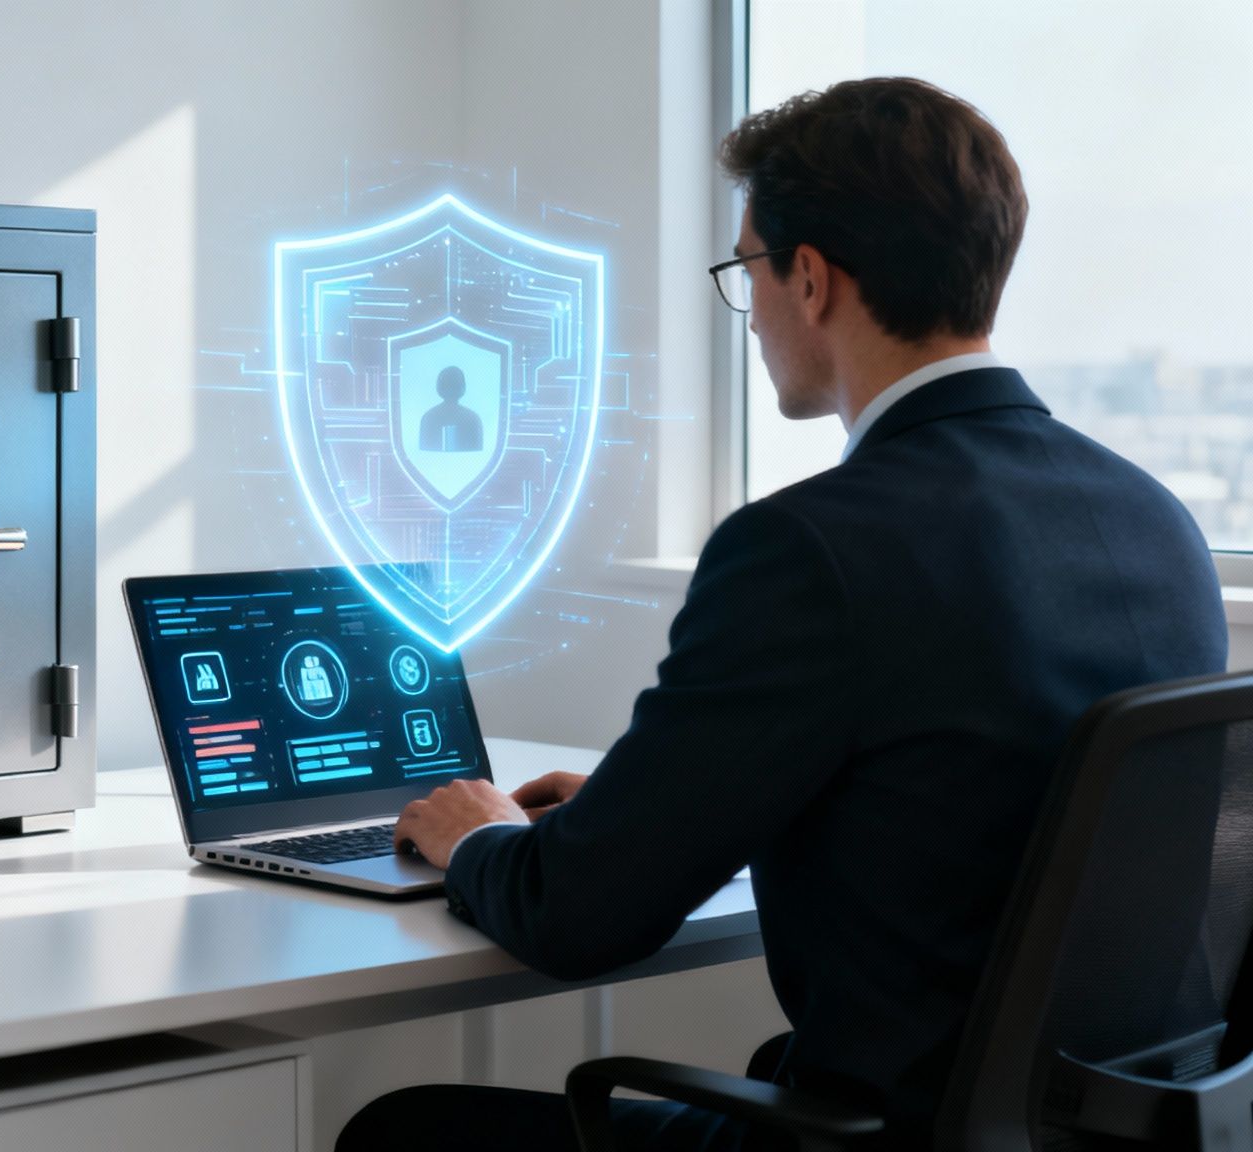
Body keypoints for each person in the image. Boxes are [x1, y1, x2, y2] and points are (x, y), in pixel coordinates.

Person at [342, 76, 1227, 1151]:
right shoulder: (1148, 520)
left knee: (405, 1129)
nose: (748, 308)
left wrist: (479, 839)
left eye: (745, 269)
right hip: (1089, 1127)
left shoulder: (811, 547)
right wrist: (649, 806)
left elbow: (571, 921)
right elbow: (969, 803)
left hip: (886, 1129)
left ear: (807, 280)